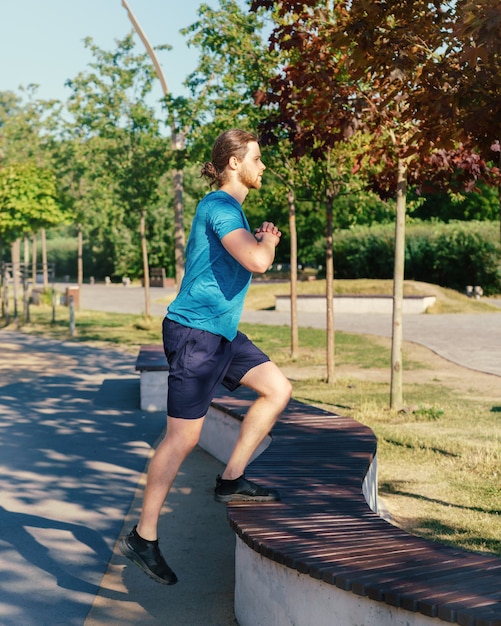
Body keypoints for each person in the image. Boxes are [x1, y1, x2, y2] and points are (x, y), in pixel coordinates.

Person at [119, 129, 292, 585]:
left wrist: (259, 241)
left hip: (221, 332)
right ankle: (144, 536)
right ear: (234, 162)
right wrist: (269, 241)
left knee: (277, 389)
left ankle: (231, 478)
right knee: (182, 439)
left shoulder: (230, 210)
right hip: (195, 333)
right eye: (256, 158)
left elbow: (241, 258)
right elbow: (256, 261)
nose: (262, 166)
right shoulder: (217, 205)